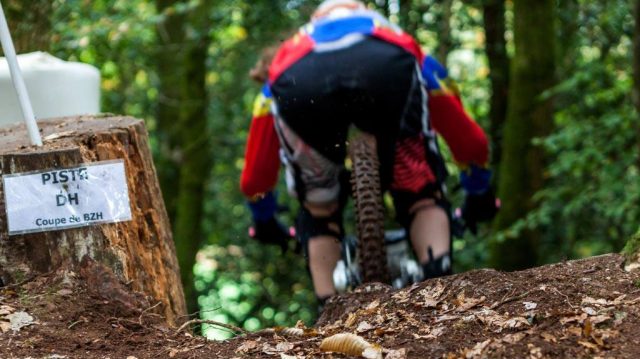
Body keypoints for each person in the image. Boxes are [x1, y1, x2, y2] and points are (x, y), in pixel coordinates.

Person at [240, 0, 498, 306]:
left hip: (302, 82)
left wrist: (264, 217)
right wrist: (478, 187)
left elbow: (256, 175)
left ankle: (327, 306)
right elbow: (468, 139)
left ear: (316, 19)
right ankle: (437, 280)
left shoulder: (289, 57)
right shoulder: (391, 35)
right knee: (420, 190)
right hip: (387, 67)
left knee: (319, 209)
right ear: (359, 9)